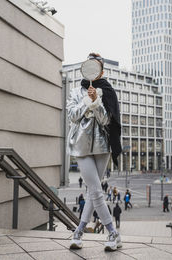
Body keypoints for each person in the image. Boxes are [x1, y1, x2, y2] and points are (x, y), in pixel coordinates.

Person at [67, 53, 122, 251]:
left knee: (94, 191)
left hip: (102, 146)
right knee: (96, 190)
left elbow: (107, 120)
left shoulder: (107, 91)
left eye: (96, 67)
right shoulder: (75, 91)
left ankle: (78, 232)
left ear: (102, 71)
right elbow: (72, 116)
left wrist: (96, 101)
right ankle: (113, 233)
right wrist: (85, 101)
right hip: (80, 146)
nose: (93, 70)